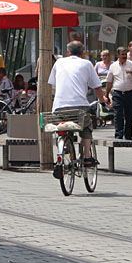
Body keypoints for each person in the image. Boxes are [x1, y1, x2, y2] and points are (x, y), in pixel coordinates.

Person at [48, 41, 106, 170]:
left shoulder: (59, 62)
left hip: (58, 107)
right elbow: (97, 87)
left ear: (67, 52)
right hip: (79, 106)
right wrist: (103, 100)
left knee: (61, 127)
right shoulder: (86, 63)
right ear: (82, 53)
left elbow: (52, 83)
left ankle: (63, 152)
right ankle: (87, 156)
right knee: (86, 127)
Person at [105, 47, 132, 140]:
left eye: (125, 54)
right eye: (122, 54)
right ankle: (119, 135)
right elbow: (109, 81)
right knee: (118, 114)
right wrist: (106, 94)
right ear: (118, 55)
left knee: (129, 115)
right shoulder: (113, 66)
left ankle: (128, 135)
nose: (124, 56)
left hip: (130, 93)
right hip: (117, 93)